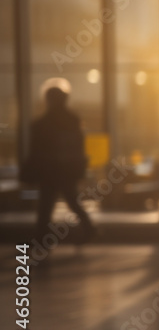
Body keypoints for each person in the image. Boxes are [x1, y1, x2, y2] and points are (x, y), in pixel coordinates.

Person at [26, 79, 96, 243]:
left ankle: (41, 237)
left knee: (46, 205)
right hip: (66, 170)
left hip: (49, 170)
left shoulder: (42, 123)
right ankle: (89, 229)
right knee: (72, 201)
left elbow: (37, 149)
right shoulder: (72, 120)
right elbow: (79, 146)